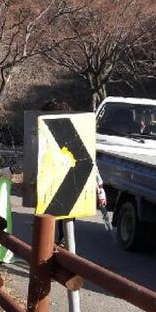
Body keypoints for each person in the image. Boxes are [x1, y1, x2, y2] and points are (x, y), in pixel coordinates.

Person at [41, 99, 111, 244]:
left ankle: (59, 255)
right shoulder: (47, 136)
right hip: (52, 190)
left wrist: (99, 187)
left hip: (67, 189)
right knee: (55, 232)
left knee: (60, 231)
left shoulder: (71, 136)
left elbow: (88, 161)